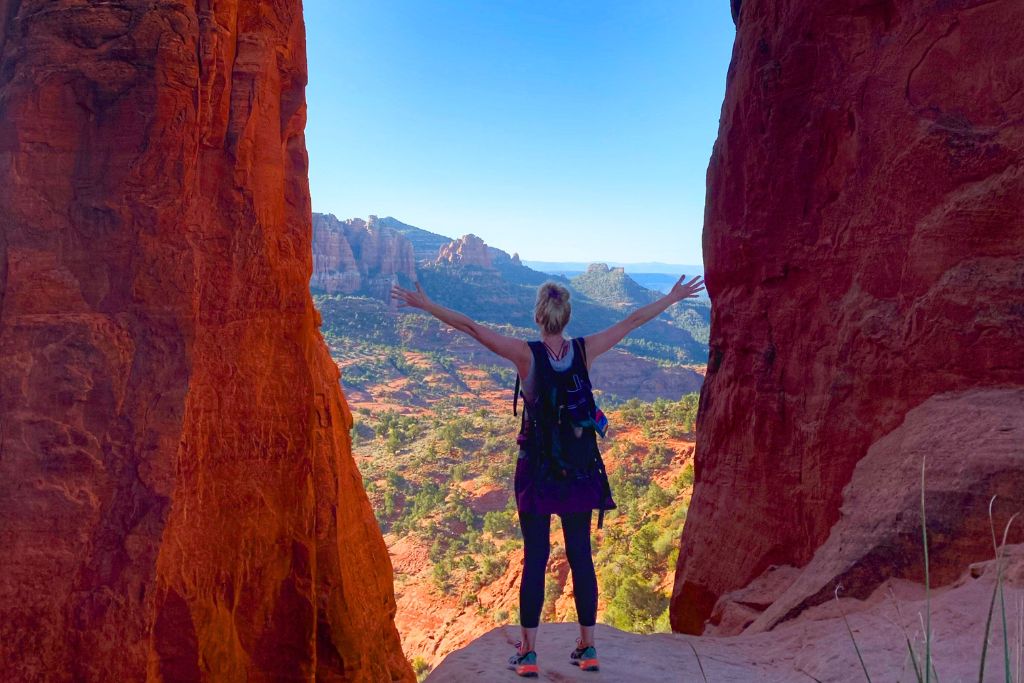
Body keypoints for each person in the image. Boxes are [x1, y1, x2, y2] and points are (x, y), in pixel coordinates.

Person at [391, 274, 706, 677]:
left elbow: (470, 326)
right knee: (581, 557)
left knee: (536, 558)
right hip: (578, 471)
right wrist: (672, 297)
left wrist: (427, 304)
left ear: (539, 316)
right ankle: (588, 649)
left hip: (538, 472)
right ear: (567, 315)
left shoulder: (526, 356)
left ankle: (527, 654)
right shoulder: (585, 350)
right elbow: (631, 321)